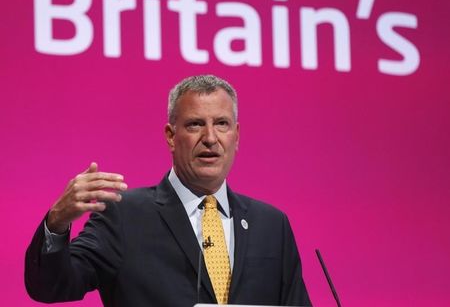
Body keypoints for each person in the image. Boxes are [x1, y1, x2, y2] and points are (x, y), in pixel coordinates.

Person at [25, 74, 312, 306]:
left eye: (221, 124)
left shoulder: (272, 224)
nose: (210, 138)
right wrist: (57, 222)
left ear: (236, 136)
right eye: (195, 124)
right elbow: (52, 287)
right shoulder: (124, 215)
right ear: (171, 137)